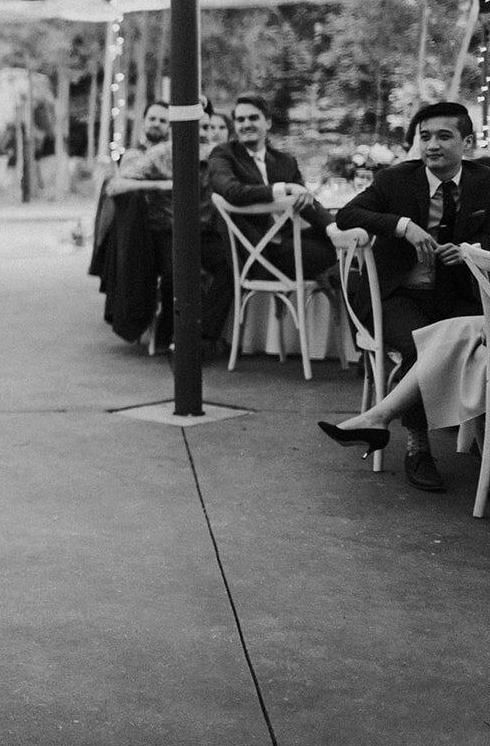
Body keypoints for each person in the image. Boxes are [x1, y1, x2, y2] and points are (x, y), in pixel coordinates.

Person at [328, 101, 490, 491]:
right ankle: (418, 447)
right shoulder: (397, 180)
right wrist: (402, 226)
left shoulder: (486, 181)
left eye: (443, 136)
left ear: (467, 142)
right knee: (423, 346)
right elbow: (347, 215)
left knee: (480, 339)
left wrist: (469, 247)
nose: (431, 145)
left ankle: (469, 435)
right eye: (425, 137)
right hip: (396, 295)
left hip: (456, 296)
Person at [105, 99, 232, 347]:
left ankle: (203, 335)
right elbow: (115, 186)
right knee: (181, 274)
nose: (206, 134)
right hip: (167, 232)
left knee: (231, 264)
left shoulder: (218, 154)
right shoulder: (161, 153)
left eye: (209, 128)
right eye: (201, 128)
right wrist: (161, 185)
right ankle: (171, 334)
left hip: (204, 233)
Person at [317, 313, 486, 469]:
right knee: (440, 337)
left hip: (451, 299)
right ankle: (416, 444)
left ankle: (378, 419)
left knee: (456, 334)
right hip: (397, 296)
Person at [207, 94, 337, 282]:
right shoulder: (224, 154)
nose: (246, 124)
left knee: (341, 236)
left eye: (253, 118)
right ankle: (329, 286)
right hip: (254, 247)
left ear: (267, 123)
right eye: (240, 120)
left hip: (285, 239)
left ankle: (331, 290)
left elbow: (305, 201)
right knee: (327, 253)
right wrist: (283, 188)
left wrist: (333, 227)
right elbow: (231, 191)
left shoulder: (285, 161)